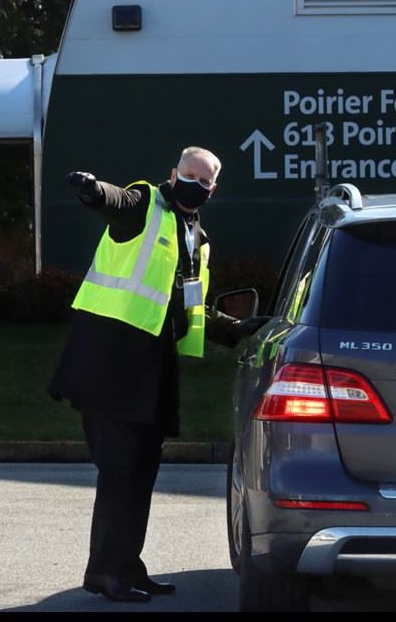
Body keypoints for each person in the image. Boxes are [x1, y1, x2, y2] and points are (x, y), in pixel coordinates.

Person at [46, 146, 269, 603]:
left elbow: (192, 307)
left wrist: (237, 329)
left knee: (141, 471)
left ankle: (128, 566)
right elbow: (115, 203)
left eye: (203, 180)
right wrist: (93, 191)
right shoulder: (145, 203)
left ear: (213, 188)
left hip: (152, 367)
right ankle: (105, 572)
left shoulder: (197, 239)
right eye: (188, 174)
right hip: (109, 360)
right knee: (119, 471)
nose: (194, 183)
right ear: (174, 172)